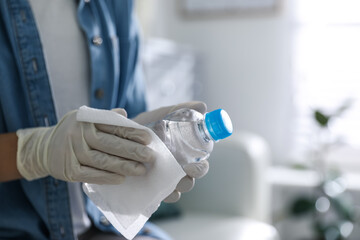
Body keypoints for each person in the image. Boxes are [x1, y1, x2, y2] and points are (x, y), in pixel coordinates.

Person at [0, 0, 209, 239]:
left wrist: (149, 150)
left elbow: (129, 114)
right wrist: (35, 151)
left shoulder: (114, 6)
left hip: (101, 227)